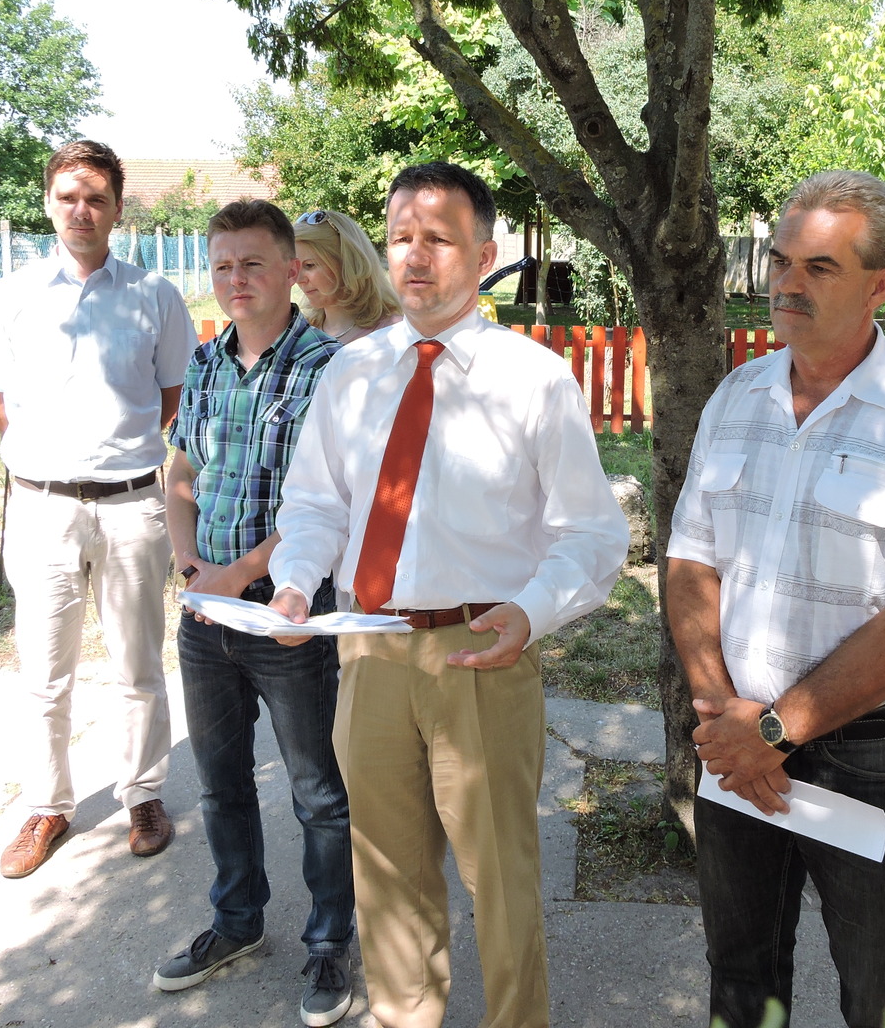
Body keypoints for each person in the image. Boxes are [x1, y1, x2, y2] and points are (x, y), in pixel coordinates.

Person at [267, 162, 629, 1028]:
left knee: (499, 881)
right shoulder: (351, 373)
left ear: (484, 255)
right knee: (387, 879)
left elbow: (590, 533)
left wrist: (530, 613)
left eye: (438, 238)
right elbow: (316, 505)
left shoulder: (532, 378)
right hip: (367, 650)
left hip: (480, 654)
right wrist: (293, 585)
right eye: (401, 237)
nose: (416, 255)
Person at [664, 170, 885, 1028]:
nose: (786, 284)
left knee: (884, 992)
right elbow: (690, 559)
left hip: (865, 754)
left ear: (880, 284)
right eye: (780, 261)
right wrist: (721, 712)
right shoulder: (737, 396)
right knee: (739, 978)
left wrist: (775, 730)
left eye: (819, 268)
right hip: (731, 736)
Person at [0, 139, 197, 879]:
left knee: (137, 664)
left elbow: (170, 395)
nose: (81, 210)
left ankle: (143, 795)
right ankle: (48, 806)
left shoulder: (154, 295)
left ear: (118, 210)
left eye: (96, 198)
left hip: (132, 506)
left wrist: (112, 450)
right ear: (48, 204)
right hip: (43, 508)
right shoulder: (11, 295)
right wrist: (50, 459)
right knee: (44, 668)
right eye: (68, 196)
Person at [155, 199, 356, 1027]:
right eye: (222, 265)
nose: (235, 280)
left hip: (286, 614)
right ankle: (236, 922)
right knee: (220, 784)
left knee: (317, 792)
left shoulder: (328, 367)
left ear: (290, 271)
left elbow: (329, 500)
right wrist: (191, 569)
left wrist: (237, 575)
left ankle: (328, 944)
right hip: (205, 618)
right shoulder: (205, 363)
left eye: (252, 264)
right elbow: (179, 474)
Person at [292, 208, 402, 345]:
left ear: (346, 263)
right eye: (295, 268)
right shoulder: (298, 335)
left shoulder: (393, 333)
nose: (299, 279)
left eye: (309, 265)